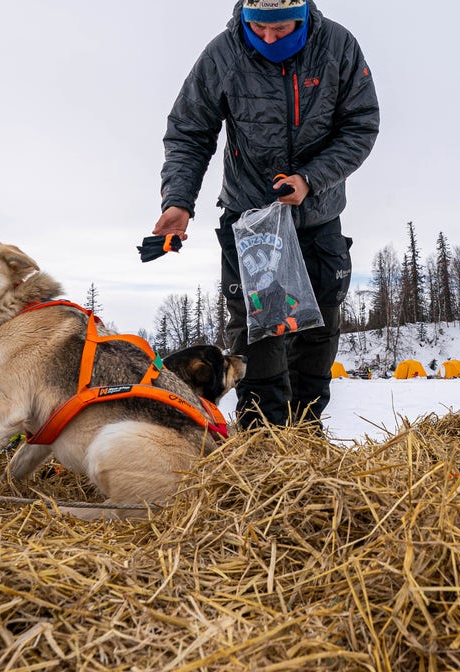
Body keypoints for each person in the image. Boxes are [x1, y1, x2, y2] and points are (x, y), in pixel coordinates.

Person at [151, 0, 380, 429]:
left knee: (319, 330)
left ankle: (306, 433)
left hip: (317, 218)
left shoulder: (337, 46)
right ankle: (262, 438)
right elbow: (189, 130)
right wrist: (178, 201)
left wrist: (311, 178)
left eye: (282, 28)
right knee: (260, 333)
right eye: (260, 29)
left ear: (304, 14)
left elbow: (361, 125)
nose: (270, 38)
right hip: (250, 221)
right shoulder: (225, 52)